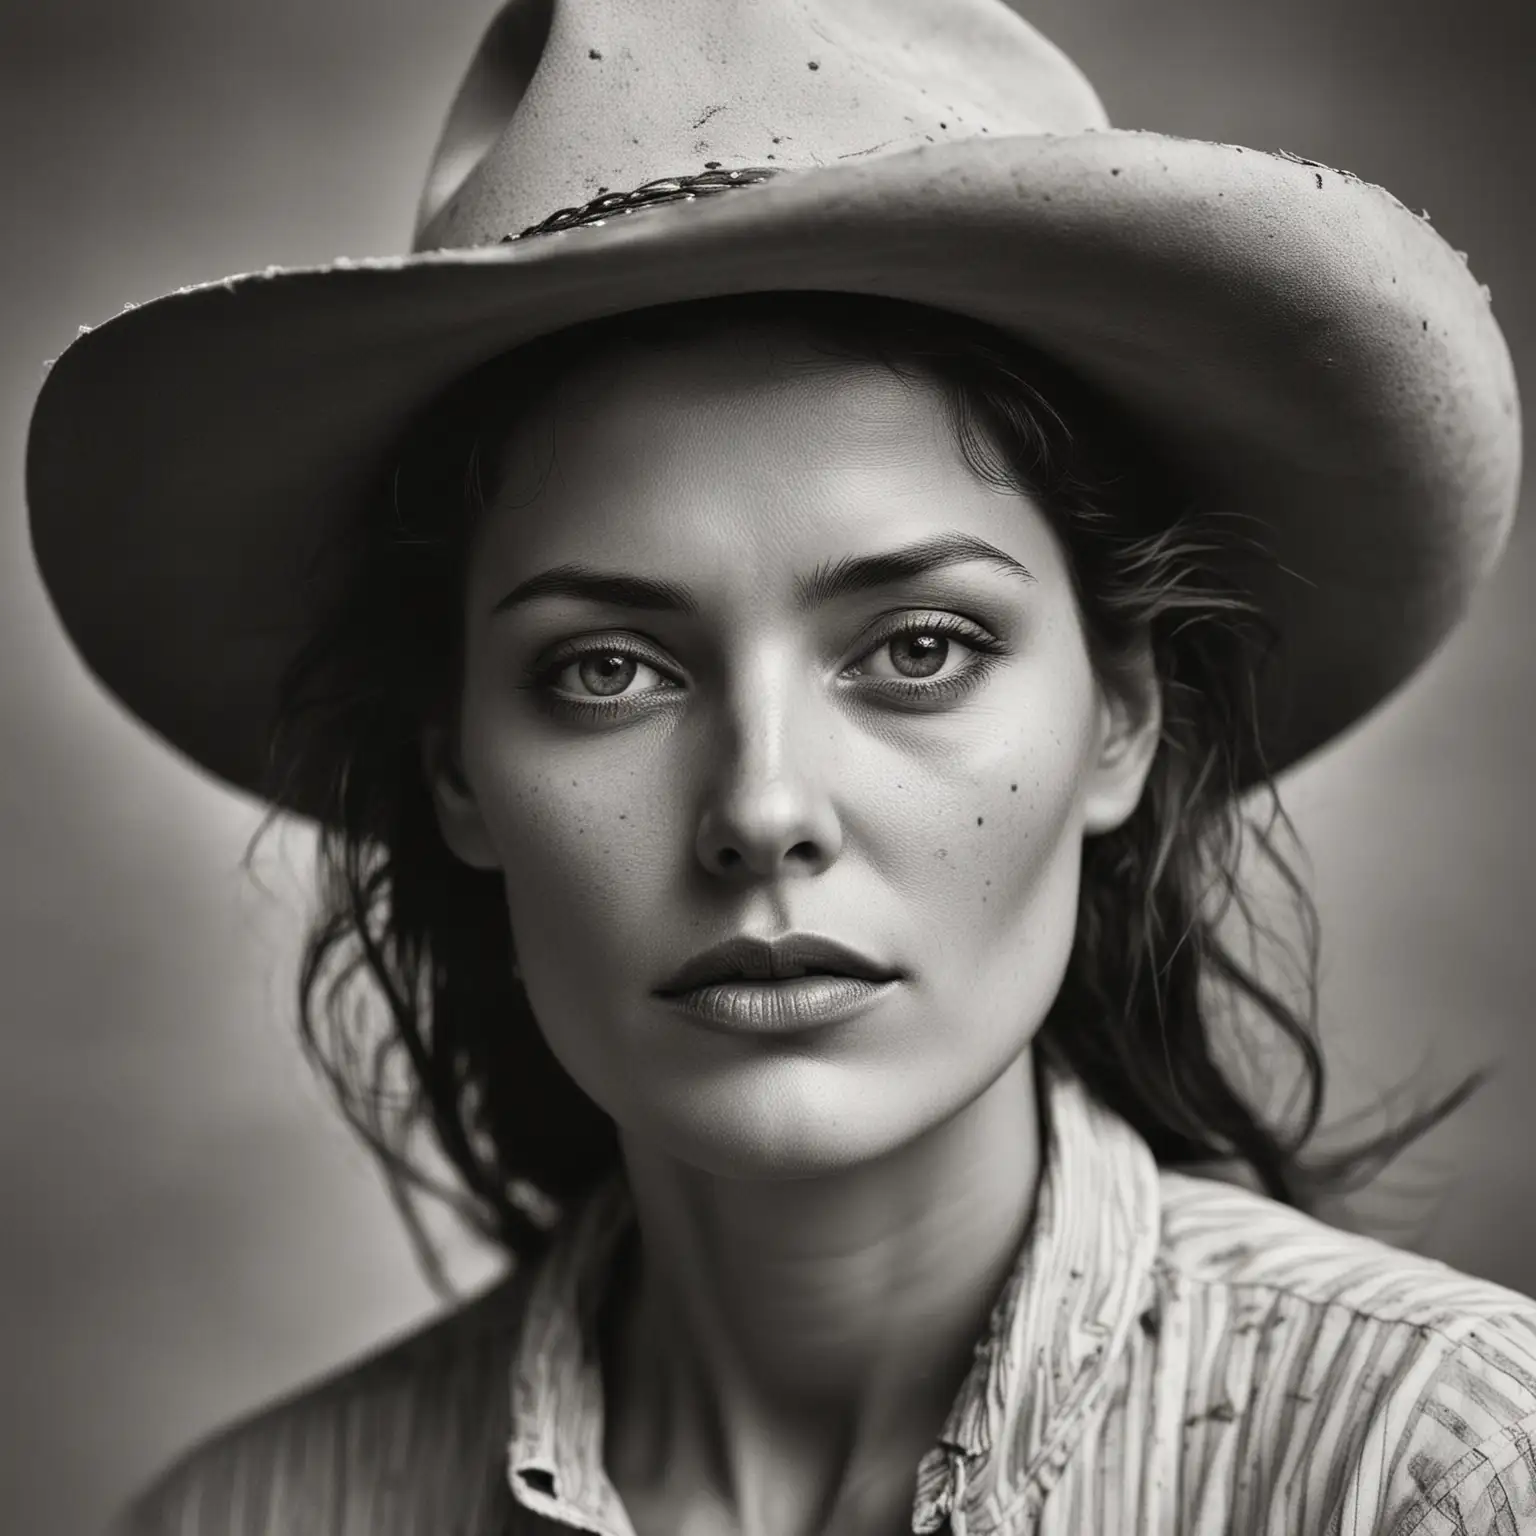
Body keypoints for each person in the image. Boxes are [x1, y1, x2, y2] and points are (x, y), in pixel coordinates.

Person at [25, 1, 1533, 1533]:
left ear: (1122, 719)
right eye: (606, 670)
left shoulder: (1439, 1467)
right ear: (459, 773)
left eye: (921, 648)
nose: (760, 811)